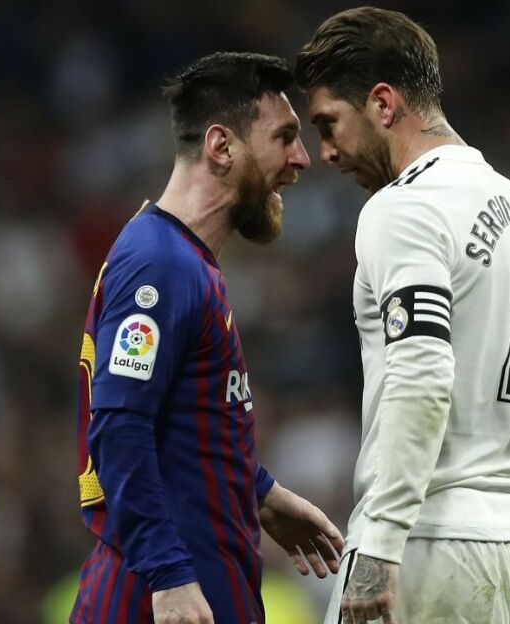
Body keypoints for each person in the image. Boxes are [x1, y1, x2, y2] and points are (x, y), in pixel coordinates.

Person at [295, 8, 510, 623]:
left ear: (383, 104)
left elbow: (422, 374)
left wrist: (379, 542)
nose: (324, 151)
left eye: (329, 124)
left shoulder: (405, 208)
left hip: (429, 541)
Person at [71, 52, 344, 624]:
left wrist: (260, 491)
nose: (301, 158)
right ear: (221, 147)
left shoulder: (183, 261)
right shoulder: (160, 265)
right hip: (157, 599)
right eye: (284, 137)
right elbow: (120, 427)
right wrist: (168, 575)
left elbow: (182, 423)